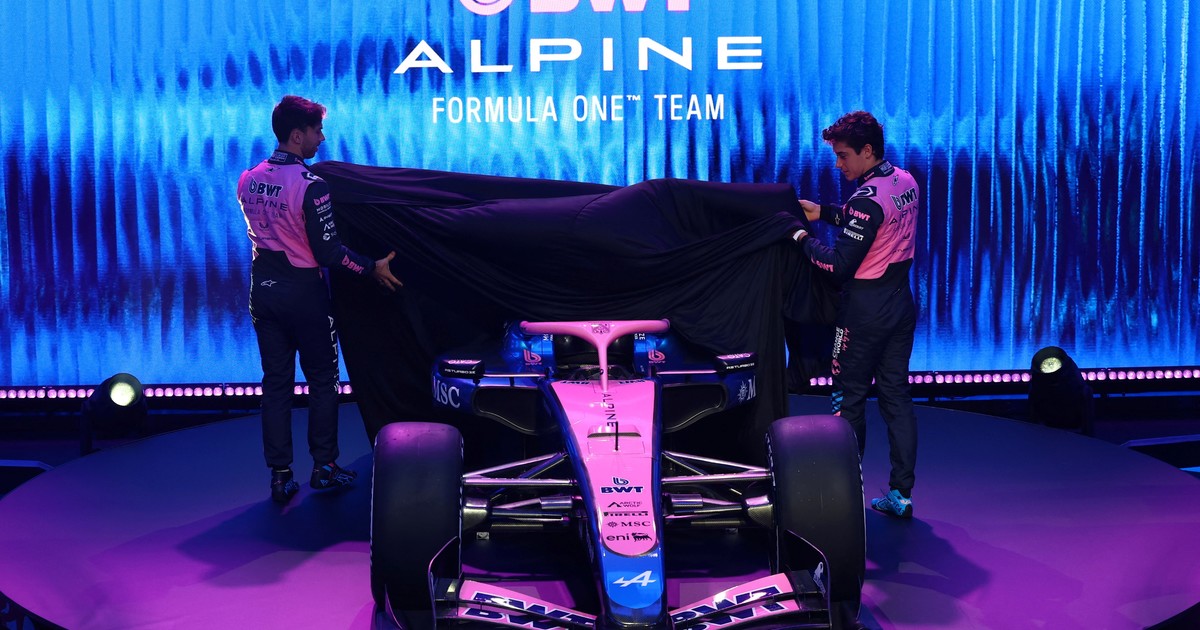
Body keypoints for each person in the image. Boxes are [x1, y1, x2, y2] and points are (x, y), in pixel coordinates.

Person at [237, 95, 403, 504]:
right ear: (297, 135)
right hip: (304, 295)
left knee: (275, 384)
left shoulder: (248, 178)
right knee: (323, 382)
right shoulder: (312, 186)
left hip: (263, 291)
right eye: (317, 131)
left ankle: (280, 476)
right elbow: (329, 253)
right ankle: (324, 468)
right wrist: (372, 267)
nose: (322, 139)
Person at [789, 111, 919, 518]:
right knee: (896, 397)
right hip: (900, 304)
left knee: (848, 400)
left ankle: (844, 503)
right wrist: (823, 212)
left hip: (862, 314)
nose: (838, 164)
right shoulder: (905, 180)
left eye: (843, 155)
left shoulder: (866, 199)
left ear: (867, 151)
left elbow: (837, 265)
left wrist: (799, 237)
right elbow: (872, 219)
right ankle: (901, 495)